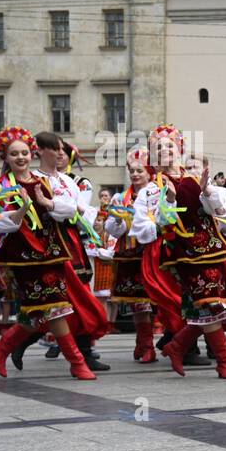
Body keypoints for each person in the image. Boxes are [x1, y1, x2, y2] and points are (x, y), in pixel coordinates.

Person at [0, 127, 109, 379]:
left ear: (32, 153)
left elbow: (69, 209)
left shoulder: (43, 182)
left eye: (24, 152)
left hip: (52, 252)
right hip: (24, 257)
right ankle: (77, 362)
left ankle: (3, 347)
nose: (20, 157)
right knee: (55, 307)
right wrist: (21, 211)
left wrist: (46, 203)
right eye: (14, 154)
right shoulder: (1, 186)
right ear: (5, 158)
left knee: (41, 310)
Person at [130, 125, 226, 379]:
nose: (165, 150)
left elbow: (221, 215)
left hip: (213, 249)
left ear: (179, 150)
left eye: (170, 145)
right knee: (210, 303)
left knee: (214, 306)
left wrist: (208, 191)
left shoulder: (194, 178)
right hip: (184, 255)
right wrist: (168, 201)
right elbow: (146, 229)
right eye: (158, 147)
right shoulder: (149, 191)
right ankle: (225, 362)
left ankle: (177, 347)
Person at [102, 147, 161, 362]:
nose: (135, 174)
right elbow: (112, 229)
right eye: (132, 171)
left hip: (152, 253)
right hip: (128, 253)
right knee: (138, 302)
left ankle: (157, 342)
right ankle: (145, 345)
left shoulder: (156, 193)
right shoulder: (121, 197)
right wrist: (117, 218)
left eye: (140, 171)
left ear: (149, 173)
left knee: (155, 299)